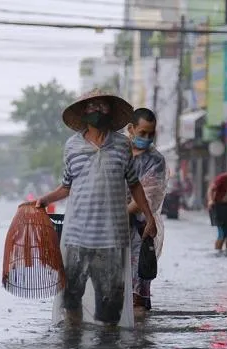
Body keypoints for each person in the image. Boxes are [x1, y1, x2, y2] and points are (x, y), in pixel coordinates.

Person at [36, 89, 157, 328]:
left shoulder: (122, 145)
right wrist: (45, 198)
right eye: (92, 106)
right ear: (83, 112)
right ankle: (73, 347)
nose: (97, 110)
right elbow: (66, 186)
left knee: (110, 304)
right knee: (71, 299)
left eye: (103, 106)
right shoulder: (72, 146)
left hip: (112, 238)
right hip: (76, 236)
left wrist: (150, 218)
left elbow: (134, 184)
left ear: (110, 112)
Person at [126, 108, 168, 312]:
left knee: (138, 293)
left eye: (151, 133)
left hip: (141, 230)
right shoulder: (117, 152)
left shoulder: (156, 161)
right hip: (109, 231)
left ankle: (140, 340)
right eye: (142, 133)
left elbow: (148, 196)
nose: (147, 138)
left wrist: (117, 215)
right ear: (130, 129)